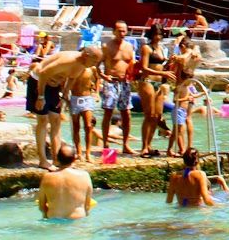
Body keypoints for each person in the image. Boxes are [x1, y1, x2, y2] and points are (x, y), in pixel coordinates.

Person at [29, 47, 103, 169]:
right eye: (94, 61)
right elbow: (43, 73)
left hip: (54, 87)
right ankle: (43, 160)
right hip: (39, 82)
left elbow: (72, 78)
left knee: (56, 120)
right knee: (43, 120)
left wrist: (64, 96)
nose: (95, 64)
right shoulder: (68, 60)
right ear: (86, 55)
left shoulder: (83, 65)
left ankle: (57, 159)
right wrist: (40, 97)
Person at [100, 20, 136, 155]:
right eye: (119, 31)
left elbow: (132, 63)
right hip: (111, 82)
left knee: (126, 113)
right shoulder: (106, 46)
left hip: (125, 83)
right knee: (108, 112)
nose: (122, 33)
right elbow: (97, 65)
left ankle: (125, 145)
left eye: (124, 31)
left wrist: (134, 75)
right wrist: (103, 76)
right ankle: (105, 144)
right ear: (114, 32)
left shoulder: (130, 46)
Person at [36, 142, 95, 220]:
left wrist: (45, 216)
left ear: (57, 158)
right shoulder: (84, 176)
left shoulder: (47, 177)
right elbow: (87, 206)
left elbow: (41, 206)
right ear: (75, 158)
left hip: (54, 219)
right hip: (77, 221)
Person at [135, 23, 168, 157]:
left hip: (158, 83)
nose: (158, 37)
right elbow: (144, 68)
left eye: (160, 34)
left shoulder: (161, 48)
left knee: (157, 116)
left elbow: (161, 66)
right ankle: (144, 147)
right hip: (147, 81)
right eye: (156, 34)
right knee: (149, 115)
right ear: (151, 34)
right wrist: (162, 73)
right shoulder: (146, 48)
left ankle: (149, 145)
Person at [67, 59, 100, 162]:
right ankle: (79, 152)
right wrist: (65, 97)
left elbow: (98, 79)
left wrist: (97, 93)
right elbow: (66, 81)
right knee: (76, 127)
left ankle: (88, 153)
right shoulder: (73, 68)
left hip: (87, 98)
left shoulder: (92, 68)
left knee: (88, 126)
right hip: (74, 98)